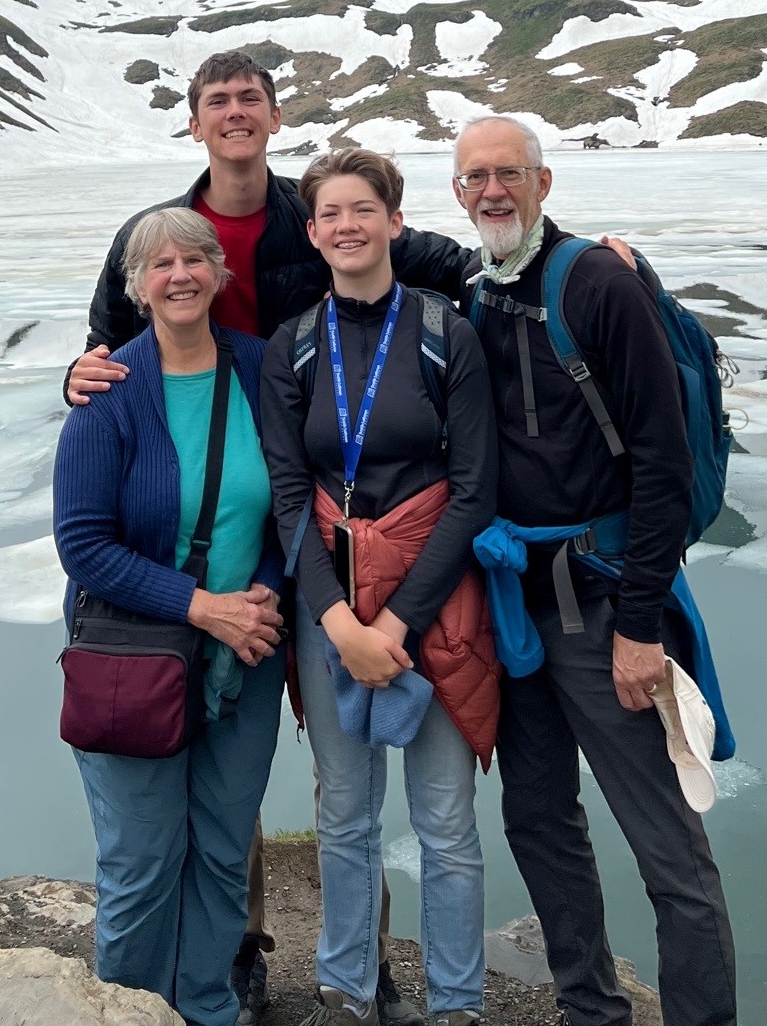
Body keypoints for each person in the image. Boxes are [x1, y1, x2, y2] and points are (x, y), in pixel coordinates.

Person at [66, 50, 470, 1026]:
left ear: (275, 116)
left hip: (296, 554)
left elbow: (434, 260)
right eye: (217, 101)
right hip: (178, 592)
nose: (235, 112)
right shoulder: (155, 242)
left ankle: (352, 969)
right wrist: (77, 380)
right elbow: (100, 353)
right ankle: (219, 967)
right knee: (184, 830)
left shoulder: (311, 222)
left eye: (250, 97)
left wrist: (559, 256)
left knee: (301, 781)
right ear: (195, 122)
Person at [450, 115, 738, 1026]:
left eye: (509, 173)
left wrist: (640, 626)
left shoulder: (600, 284)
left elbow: (664, 462)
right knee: (539, 820)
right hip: (519, 609)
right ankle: (590, 1010)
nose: (492, 191)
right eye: (475, 178)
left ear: (544, 183)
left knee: (666, 845)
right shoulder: (478, 290)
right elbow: (370, 245)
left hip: (606, 604)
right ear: (458, 193)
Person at [262, 150, 499, 1026]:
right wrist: (337, 621)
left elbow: (473, 493)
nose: (347, 226)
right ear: (313, 232)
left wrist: (393, 624)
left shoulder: (446, 334)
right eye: (330, 213)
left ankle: (457, 1004)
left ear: (396, 222)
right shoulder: (292, 346)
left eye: (363, 209)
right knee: (346, 816)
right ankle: (346, 992)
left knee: (445, 822)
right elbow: (290, 495)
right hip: (331, 605)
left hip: (433, 608)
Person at [53, 207, 287, 1026]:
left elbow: (290, 502)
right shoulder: (108, 392)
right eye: (161, 264)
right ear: (137, 285)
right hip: (132, 662)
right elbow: (84, 545)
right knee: (143, 861)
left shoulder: (261, 368)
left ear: (220, 273)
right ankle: (131, 1012)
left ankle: (208, 1007)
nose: (180, 275)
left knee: (221, 852)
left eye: (195, 259)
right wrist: (203, 607)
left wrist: (263, 592)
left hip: (245, 655)